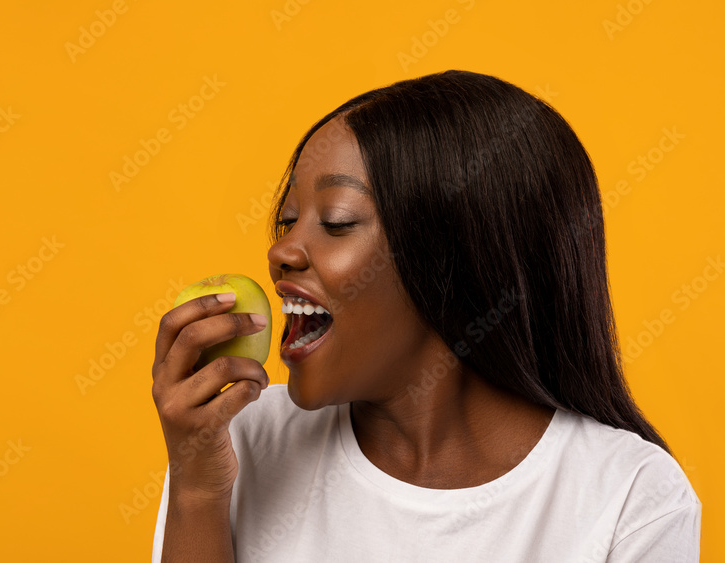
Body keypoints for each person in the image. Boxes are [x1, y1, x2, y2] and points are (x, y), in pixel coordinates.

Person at [149, 70, 701, 562]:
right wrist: (197, 491)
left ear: (461, 259)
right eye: (288, 220)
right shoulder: (234, 441)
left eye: (336, 221)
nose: (281, 252)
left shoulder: (631, 497)